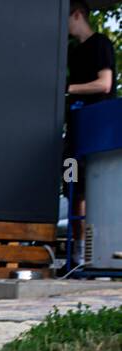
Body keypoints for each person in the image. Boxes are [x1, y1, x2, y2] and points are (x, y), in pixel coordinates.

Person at [64, 0, 116, 243]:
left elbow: (104, 83)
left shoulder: (101, 44)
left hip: (96, 132)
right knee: (72, 186)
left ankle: (93, 252)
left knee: (92, 189)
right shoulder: (73, 52)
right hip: (74, 132)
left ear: (76, 15)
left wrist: (70, 88)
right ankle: (77, 251)